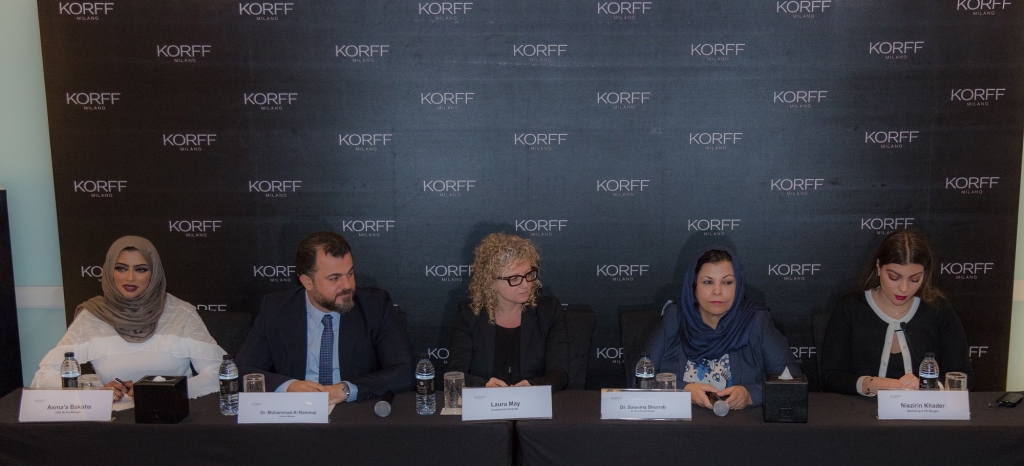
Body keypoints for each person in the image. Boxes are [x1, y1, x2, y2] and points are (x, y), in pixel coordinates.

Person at [30, 236, 226, 400]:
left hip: (172, 417)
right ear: (109, 271)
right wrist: (93, 391)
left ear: (154, 273)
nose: (130, 278)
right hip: (112, 421)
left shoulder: (181, 314)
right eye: (121, 268)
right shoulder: (93, 316)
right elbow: (43, 378)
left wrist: (161, 392)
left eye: (141, 269)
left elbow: (218, 373)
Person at [235, 231, 413, 404]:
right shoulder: (276, 309)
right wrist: (290, 387)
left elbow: (405, 372)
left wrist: (346, 389)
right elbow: (242, 370)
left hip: (353, 410)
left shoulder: (374, 306)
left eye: (350, 273)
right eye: (334, 278)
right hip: (297, 411)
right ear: (307, 282)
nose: (347, 285)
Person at [820, 229, 973, 396]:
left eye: (915, 279)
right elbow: (830, 377)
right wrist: (870, 384)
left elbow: (964, 377)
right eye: (894, 277)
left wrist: (928, 385)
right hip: (860, 410)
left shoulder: (938, 310)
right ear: (878, 267)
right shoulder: (850, 308)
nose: (904, 288)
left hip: (923, 410)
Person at [645, 246, 799, 410]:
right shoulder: (675, 318)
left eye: (727, 282)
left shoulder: (756, 321)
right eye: (708, 282)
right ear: (693, 286)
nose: (717, 291)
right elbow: (641, 379)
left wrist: (750, 395)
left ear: (738, 286)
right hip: (682, 423)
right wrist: (683, 390)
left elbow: (792, 381)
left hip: (738, 424)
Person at [447, 233, 569, 391]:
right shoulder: (469, 314)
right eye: (515, 278)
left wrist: (534, 386)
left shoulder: (549, 310)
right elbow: (456, 373)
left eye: (528, 274)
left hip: (533, 401)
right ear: (490, 281)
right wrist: (484, 386)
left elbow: (559, 373)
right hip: (486, 402)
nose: (526, 285)